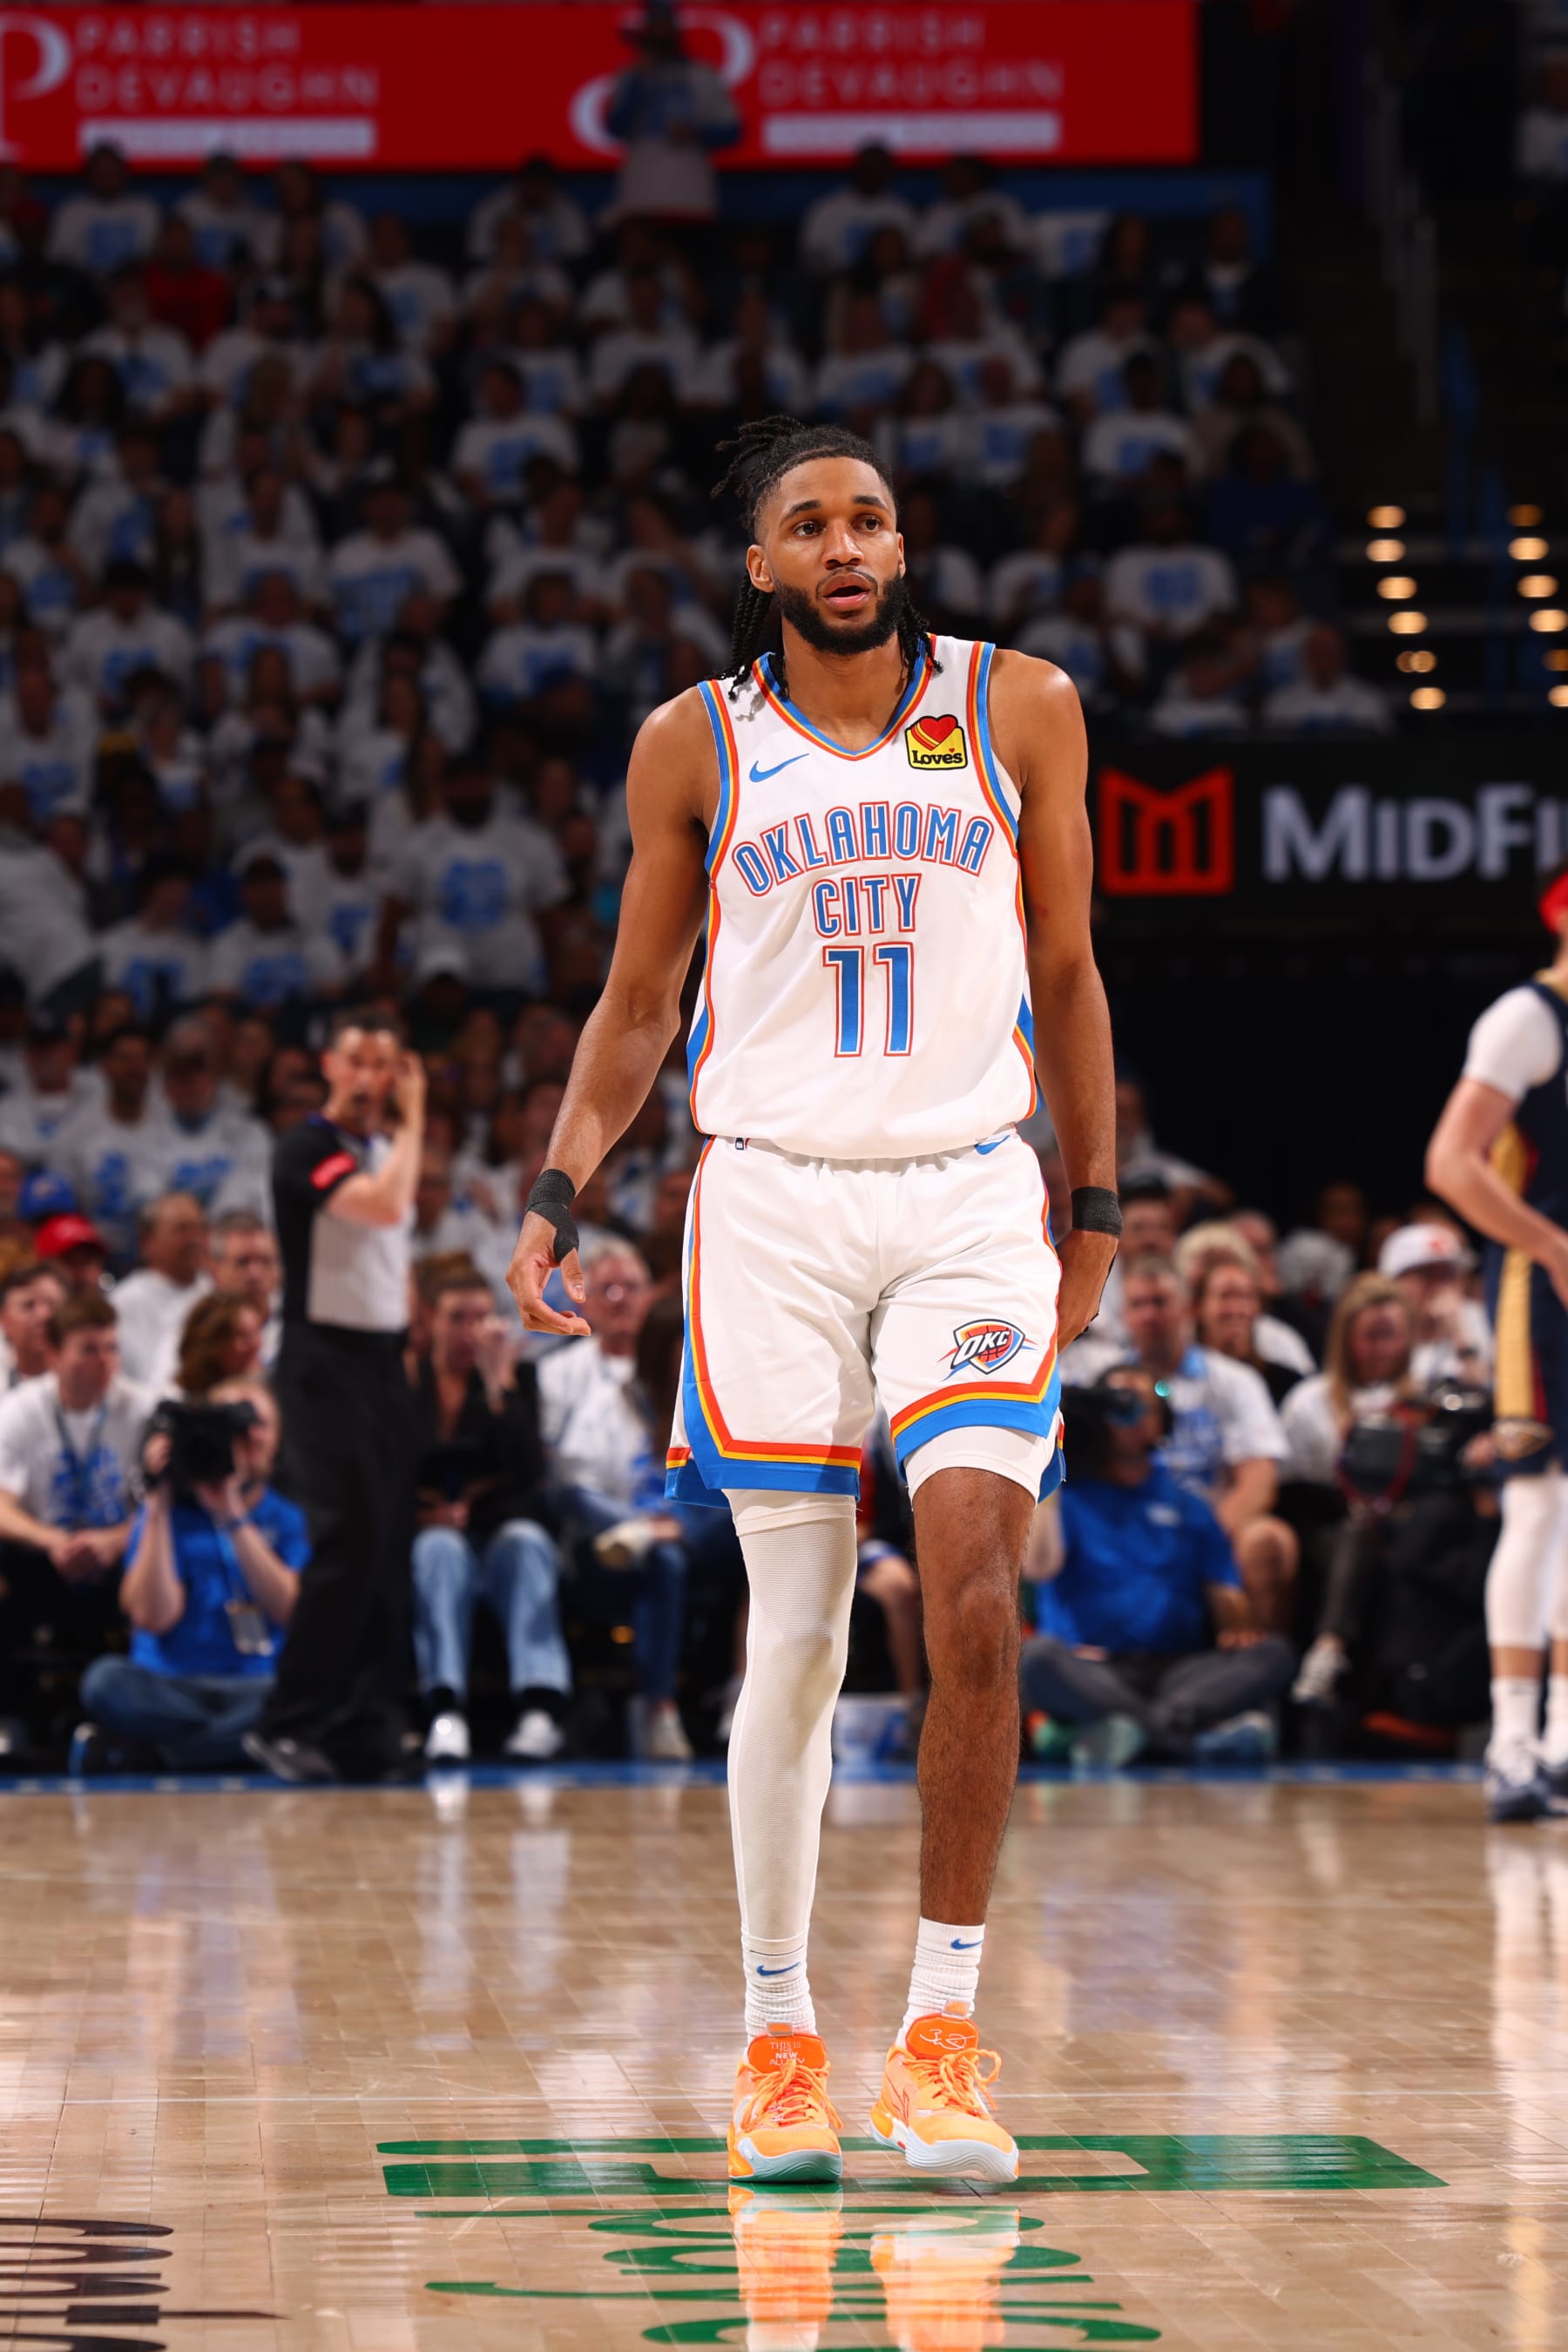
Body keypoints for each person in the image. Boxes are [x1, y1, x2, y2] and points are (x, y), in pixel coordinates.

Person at [506, 415, 1118, 2186]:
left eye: (872, 518)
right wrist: (558, 1188)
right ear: (760, 566)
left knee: (980, 1596)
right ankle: (779, 2040)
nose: (847, 543)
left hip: (966, 1199)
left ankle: (941, 2032)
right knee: (799, 1628)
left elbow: (1070, 972)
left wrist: (1098, 1203)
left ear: (901, 548)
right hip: (767, 1199)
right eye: (811, 524)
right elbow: (636, 1006)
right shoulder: (692, 745)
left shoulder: (1023, 709)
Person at [243, 1008, 425, 1784]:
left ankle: (365, 1724)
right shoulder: (305, 1146)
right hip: (324, 1363)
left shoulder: (383, 1151)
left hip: (383, 1360)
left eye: (385, 1063)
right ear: (330, 1067)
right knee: (345, 1540)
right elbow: (380, 1208)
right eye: (358, 1060)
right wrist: (418, 1122)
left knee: (387, 1547)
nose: (371, 1077)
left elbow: (390, 1252)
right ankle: (288, 1720)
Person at [1426, 865, 1568, 1817]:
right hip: (1536, 1289)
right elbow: (1450, 1161)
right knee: (1532, 1505)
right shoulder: (1528, 1017)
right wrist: (1551, 1246)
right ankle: (1512, 1742)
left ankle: (1560, 1747)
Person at [1021, 1370, 1294, 1767]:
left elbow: (1229, 1604)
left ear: (1160, 1420)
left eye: (1136, 1405)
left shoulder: (1190, 1508)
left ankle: (1138, 1732)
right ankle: (1186, 1739)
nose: (1123, 1416)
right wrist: (1051, 1455)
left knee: (1274, 1653)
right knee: (1035, 1660)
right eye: (1113, 1405)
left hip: (1178, 1672)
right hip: (1092, 1669)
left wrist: (1238, 1627)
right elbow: (1038, 1569)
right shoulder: (1066, 1496)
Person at [74, 1377, 306, 1772]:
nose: (246, 1439)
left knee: (307, 1696)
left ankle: (162, 1755)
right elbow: (152, 1616)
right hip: (168, 1683)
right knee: (104, 1682)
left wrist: (231, 1512)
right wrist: (158, 1503)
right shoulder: (166, 1515)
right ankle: (239, 1746)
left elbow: (291, 1611)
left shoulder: (287, 1518)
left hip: (257, 1684)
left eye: (258, 1425)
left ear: (278, 1438)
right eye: (232, 1427)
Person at [537, 1237, 692, 1761]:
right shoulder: (579, 1384)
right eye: (608, 1289)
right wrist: (632, 1524)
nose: (622, 1299)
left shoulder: (689, 1384)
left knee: (669, 1556)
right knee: (659, 1553)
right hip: (595, 1544)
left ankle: (669, 1709)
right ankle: (658, 1710)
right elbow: (565, 1484)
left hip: (676, 1536)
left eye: (633, 1288)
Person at [409, 1267, 568, 1764]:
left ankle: (540, 1708)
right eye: (458, 1318)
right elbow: (394, 1470)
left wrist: (499, 1388)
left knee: (527, 1541)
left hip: (497, 1530)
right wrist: (424, 1515)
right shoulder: (409, 1381)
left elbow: (528, 1475)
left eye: (482, 1318)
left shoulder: (519, 1378)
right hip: (430, 1530)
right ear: (431, 1321)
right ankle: (445, 1710)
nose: (471, 1332)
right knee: (439, 1550)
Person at [0, 1291, 152, 1744]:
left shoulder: (144, 1408)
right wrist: (50, 1540)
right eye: (89, 1350)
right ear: (53, 1354)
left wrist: (115, 1540)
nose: (105, 1362)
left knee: (168, 1551)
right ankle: (11, 1717)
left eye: (112, 1348)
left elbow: (161, 1507)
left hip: (121, 1556)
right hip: (43, 1557)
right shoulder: (20, 1410)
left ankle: (146, 1715)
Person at [1281, 1274, 1420, 1710]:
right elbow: (1290, 1490)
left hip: (1406, 1526)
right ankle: (1328, 1649)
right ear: (1346, 1337)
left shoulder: (1423, 1400)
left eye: (1391, 1335)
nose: (1382, 1348)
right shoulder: (1310, 1399)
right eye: (1370, 1336)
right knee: (1356, 1533)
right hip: (1333, 1526)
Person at [111, 1191, 211, 1390]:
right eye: (182, 1230)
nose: (194, 1239)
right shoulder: (122, 1303)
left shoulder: (216, 1294)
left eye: (198, 1229)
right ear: (147, 1243)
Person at [1376, 1221, 1493, 1390]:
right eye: (1427, 1274)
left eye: (1448, 1274)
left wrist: (1459, 1336)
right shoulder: (1378, 1327)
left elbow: (1490, 1395)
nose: (1439, 1286)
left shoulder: (1482, 1320)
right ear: (1394, 1282)